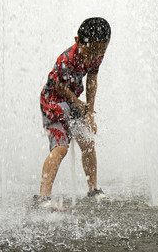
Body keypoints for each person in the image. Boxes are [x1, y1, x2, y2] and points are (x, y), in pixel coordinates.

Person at [33, 17, 111, 211]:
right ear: (77, 41)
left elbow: (92, 80)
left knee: (87, 141)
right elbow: (59, 86)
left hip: (73, 102)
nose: (94, 56)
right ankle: (43, 197)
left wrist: (90, 112)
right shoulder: (66, 59)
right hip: (53, 102)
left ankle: (93, 189)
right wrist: (77, 103)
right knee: (61, 148)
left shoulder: (97, 53)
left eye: (100, 51)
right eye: (91, 51)